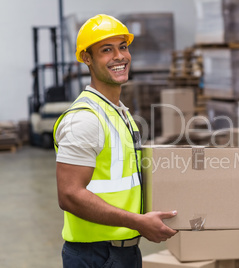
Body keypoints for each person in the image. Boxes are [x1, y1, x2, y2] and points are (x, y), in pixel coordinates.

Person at [53, 14, 177, 267]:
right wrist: (138, 221)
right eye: (106, 50)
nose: (119, 56)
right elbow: (69, 195)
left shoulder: (119, 112)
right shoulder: (85, 119)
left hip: (123, 250)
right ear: (87, 58)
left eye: (123, 47)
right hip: (96, 255)